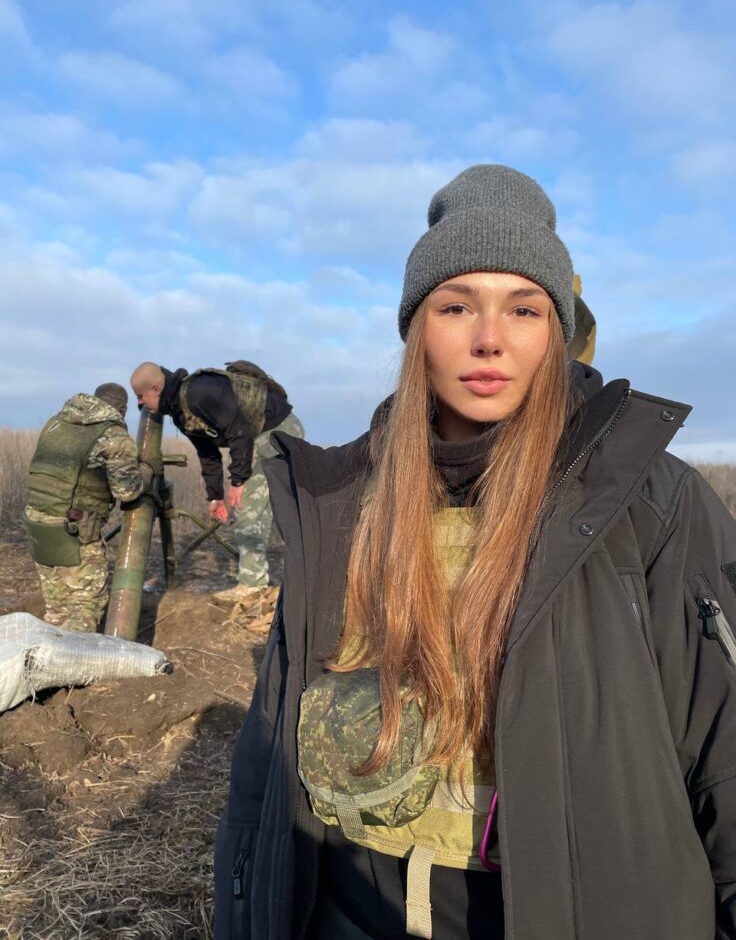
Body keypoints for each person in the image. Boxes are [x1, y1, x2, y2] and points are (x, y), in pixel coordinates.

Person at [213, 165, 736, 940]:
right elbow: (266, 762)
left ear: (557, 332)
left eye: (524, 308)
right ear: (416, 328)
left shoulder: (649, 503)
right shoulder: (338, 504)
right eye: (456, 305)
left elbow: (724, 752)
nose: (489, 337)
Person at [130, 360, 304, 600]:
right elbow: (207, 453)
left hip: (277, 431)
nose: (139, 403)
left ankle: (253, 585)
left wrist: (238, 481)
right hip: (261, 435)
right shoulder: (181, 411)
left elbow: (239, 431)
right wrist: (215, 496)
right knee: (257, 507)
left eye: (140, 396)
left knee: (249, 508)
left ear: (156, 389)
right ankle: (265, 578)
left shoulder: (199, 393)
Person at [25, 383, 151, 632]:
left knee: (57, 607)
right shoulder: (113, 435)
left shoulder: (57, 423)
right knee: (85, 607)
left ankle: (49, 652)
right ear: (122, 410)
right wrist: (145, 471)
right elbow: (127, 492)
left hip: (37, 525)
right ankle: (74, 655)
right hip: (73, 531)